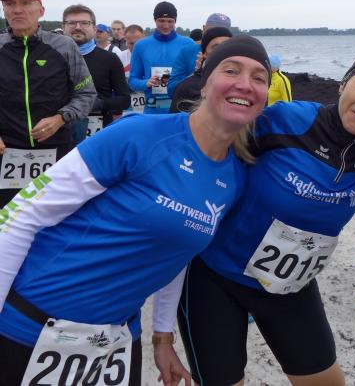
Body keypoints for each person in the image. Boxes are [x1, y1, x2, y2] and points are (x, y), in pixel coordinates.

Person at [0, 35, 272, 386]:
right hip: (32, 326)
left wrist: (162, 336)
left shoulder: (234, 178)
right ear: (205, 84)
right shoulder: (139, 135)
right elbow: (21, 213)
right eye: (231, 70)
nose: (245, 84)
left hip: (115, 342)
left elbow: (176, 253)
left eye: (259, 77)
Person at [172, 52, 355, 386]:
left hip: (290, 285)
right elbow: (211, 152)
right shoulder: (285, 120)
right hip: (215, 278)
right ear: (344, 83)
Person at [0, 0, 96, 207]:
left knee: (54, 211)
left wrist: (61, 118)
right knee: (7, 216)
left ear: (41, 11)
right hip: (6, 150)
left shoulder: (63, 46)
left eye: (25, 4)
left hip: (56, 146)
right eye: (10, 4)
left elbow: (86, 93)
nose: (17, 10)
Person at [63, 4, 131, 142]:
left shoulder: (110, 59)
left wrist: (97, 104)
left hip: (98, 133)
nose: (78, 27)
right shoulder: (52, 58)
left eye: (84, 23)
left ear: (94, 29)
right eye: (72, 23)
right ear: (63, 27)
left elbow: (124, 100)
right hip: (60, 131)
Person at [128, 1, 195, 113]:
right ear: (155, 20)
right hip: (152, 110)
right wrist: (146, 83)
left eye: (170, 21)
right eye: (161, 21)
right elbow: (132, 81)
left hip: (180, 110)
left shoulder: (188, 44)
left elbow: (195, 77)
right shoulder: (141, 45)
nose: (166, 25)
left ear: (175, 21)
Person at [170, 26, 233, 113]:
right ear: (204, 53)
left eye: (226, 46)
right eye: (216, 47)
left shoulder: (240, 84)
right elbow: (177, 119)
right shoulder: (188, 87)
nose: (222, 51)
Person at [168, 12, 232, 95]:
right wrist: (196, 75)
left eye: (222, 33)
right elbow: (171, 89)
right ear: (204, 28)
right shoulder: (187, 52)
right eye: (211, 31)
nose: (215, 37)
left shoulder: (235, 56)